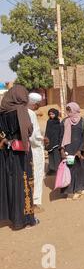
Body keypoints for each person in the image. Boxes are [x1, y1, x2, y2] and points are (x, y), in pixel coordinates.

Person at [0, 84, 39, 229]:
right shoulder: (21, 111)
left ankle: (13, 217)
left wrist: (6, 140)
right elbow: (28, 130)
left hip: (6, 153)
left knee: (11, 183)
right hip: (21, 153)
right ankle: (25, 220)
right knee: (23, 185)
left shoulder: (2, 112)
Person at [59, 102, 84, 200]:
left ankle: (78, 189)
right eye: (67, 110)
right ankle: (69, 191)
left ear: (74, 110)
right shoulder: (64, 122)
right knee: (69, 169)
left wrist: (80, 150)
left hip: (78, 151)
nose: (68, 112)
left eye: (69, 110)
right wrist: (62, 150)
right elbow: (61, 137)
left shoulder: (83, 122)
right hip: (68, 151)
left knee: (79, 169)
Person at [27, 93, 45, 212]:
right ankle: (36, 201)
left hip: (20, 149)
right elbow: (34, 136)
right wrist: (43, 139)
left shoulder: (18, 111)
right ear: (35, 104)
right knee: (37, 174)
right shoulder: (31, 113)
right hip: (33, 149)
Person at [44, 108, 61, 175]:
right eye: (50, 114)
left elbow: (60, 131)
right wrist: (46, 140)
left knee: (56, 155)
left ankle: (58, 169)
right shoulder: (49, 121)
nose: (51, 115)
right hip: (50, 141)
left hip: (57, 141)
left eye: (53, 114)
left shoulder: (58, 122)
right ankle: (51, 169)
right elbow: (47, 131)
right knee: (50, 155)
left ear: (56, 114)